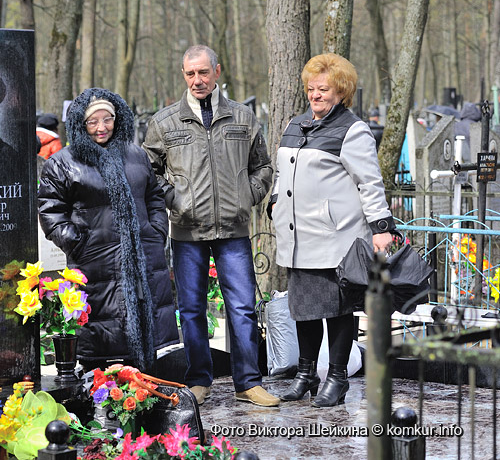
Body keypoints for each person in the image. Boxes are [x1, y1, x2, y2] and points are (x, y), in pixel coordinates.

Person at [143, 45, 278, 407]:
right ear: (183, 75)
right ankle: (199, 379)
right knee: (190, 308)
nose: (198, 80)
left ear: (217, 72)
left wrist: (245, 196)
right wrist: (176, 200)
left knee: (242, 307)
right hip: (187, 231)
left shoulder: (242, 117)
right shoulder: (165, 122)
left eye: (204, 72)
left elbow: (263, 166)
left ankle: (248, 381)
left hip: (233, 229)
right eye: (191, 74)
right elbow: (149, 171)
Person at [270, 53, 395, 407]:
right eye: (311, 89)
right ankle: (307, 374)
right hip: (298, 237)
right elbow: (282, 174)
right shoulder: (296, 125)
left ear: (341, 92)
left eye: (323, 89)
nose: (315, 95)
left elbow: (369, 183)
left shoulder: (352, 130)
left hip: (335, 236)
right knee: (304, 309)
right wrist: (275, 201)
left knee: (338, 310)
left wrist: (381, 227)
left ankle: (337, 378)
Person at [38, 88, 179, 371]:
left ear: (118, 119)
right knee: (103, 337)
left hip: (144, 256)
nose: (101, 127)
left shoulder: (135, 156)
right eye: (93, 121)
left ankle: (142, 391)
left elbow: (153, 196)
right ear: (81, 123)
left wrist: (157, 230)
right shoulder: (63, 162)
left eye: (108, 119)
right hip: (95, 261)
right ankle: (106, 395)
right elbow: (50, 210)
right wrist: (77, 241)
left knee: (145, 326)